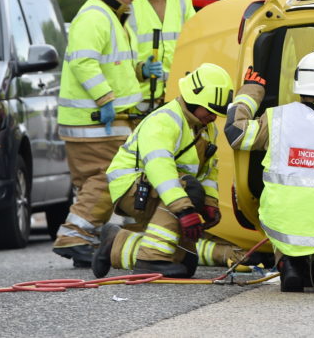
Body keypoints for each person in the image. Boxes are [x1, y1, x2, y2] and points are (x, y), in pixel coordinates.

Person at [224, 50, 314, 294]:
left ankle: (287, 262)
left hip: (283, 221)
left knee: (286, 236)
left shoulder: (277, 118)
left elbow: (236, 134)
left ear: (299, 83)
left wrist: (250, 91)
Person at [52, 0, 158, 267]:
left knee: (92, 181)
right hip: (95, 120)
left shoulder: (107, 17)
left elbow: (110, 66)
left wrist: (140, 72)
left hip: (96, 120)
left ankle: (84, 239)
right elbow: (84, 64)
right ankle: (74, 236)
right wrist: (106, 101)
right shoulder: (96, 16)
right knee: (109, 176)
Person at [92, 63, 233, 278]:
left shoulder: (205, 128)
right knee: (189, 188)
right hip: (132, 187)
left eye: (217, 113)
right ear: (194, 100)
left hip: (165, 189)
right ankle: (151, 259)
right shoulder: (164, 120)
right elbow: (161, 170)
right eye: (211, 111)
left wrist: (209, 204)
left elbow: (209, 172)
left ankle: (115, 244)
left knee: (185, 264)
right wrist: (185, 210)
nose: (214, 117)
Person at [128, 0, 196, 111]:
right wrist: (140, 70)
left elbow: (196, 45)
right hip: (137, 101)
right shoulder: (129, 1)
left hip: (175, 99)